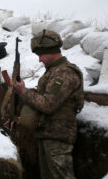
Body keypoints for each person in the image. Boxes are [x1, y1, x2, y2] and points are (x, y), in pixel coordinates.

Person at [14, 29, 84, 179]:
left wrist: (23, 92)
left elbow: (48, 104)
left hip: (57, 137)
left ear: (50, 52)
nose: (39, 60)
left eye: (40, 55)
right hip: (47, 133)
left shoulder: (64, 73)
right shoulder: (53, 71)